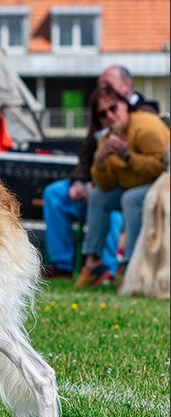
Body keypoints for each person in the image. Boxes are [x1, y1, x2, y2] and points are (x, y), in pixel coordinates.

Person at [41, 66, 148, 279]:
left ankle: (106, 267)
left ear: (126, 86)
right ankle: (62, 264)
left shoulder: (146, 112)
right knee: (54, 193)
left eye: (107, 85)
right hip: (94, 180)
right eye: (101, 85)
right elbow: (85, 156)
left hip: (126, 186)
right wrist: (79, 182)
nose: (108, 115)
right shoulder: (100, 114)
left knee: (107, 199)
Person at [75, 82, 169, 288]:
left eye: (113, 108)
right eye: (102, 114)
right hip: (137, 188)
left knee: (131, 198)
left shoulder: (146, 126)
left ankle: (130, 269)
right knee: (98, 196)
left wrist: (127, 156)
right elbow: (105, 186)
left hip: (162, 188)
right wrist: (99, 163)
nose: (109, 115)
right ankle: (93, 263)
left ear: (125, 104)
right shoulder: (108, 138)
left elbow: (162, 169)